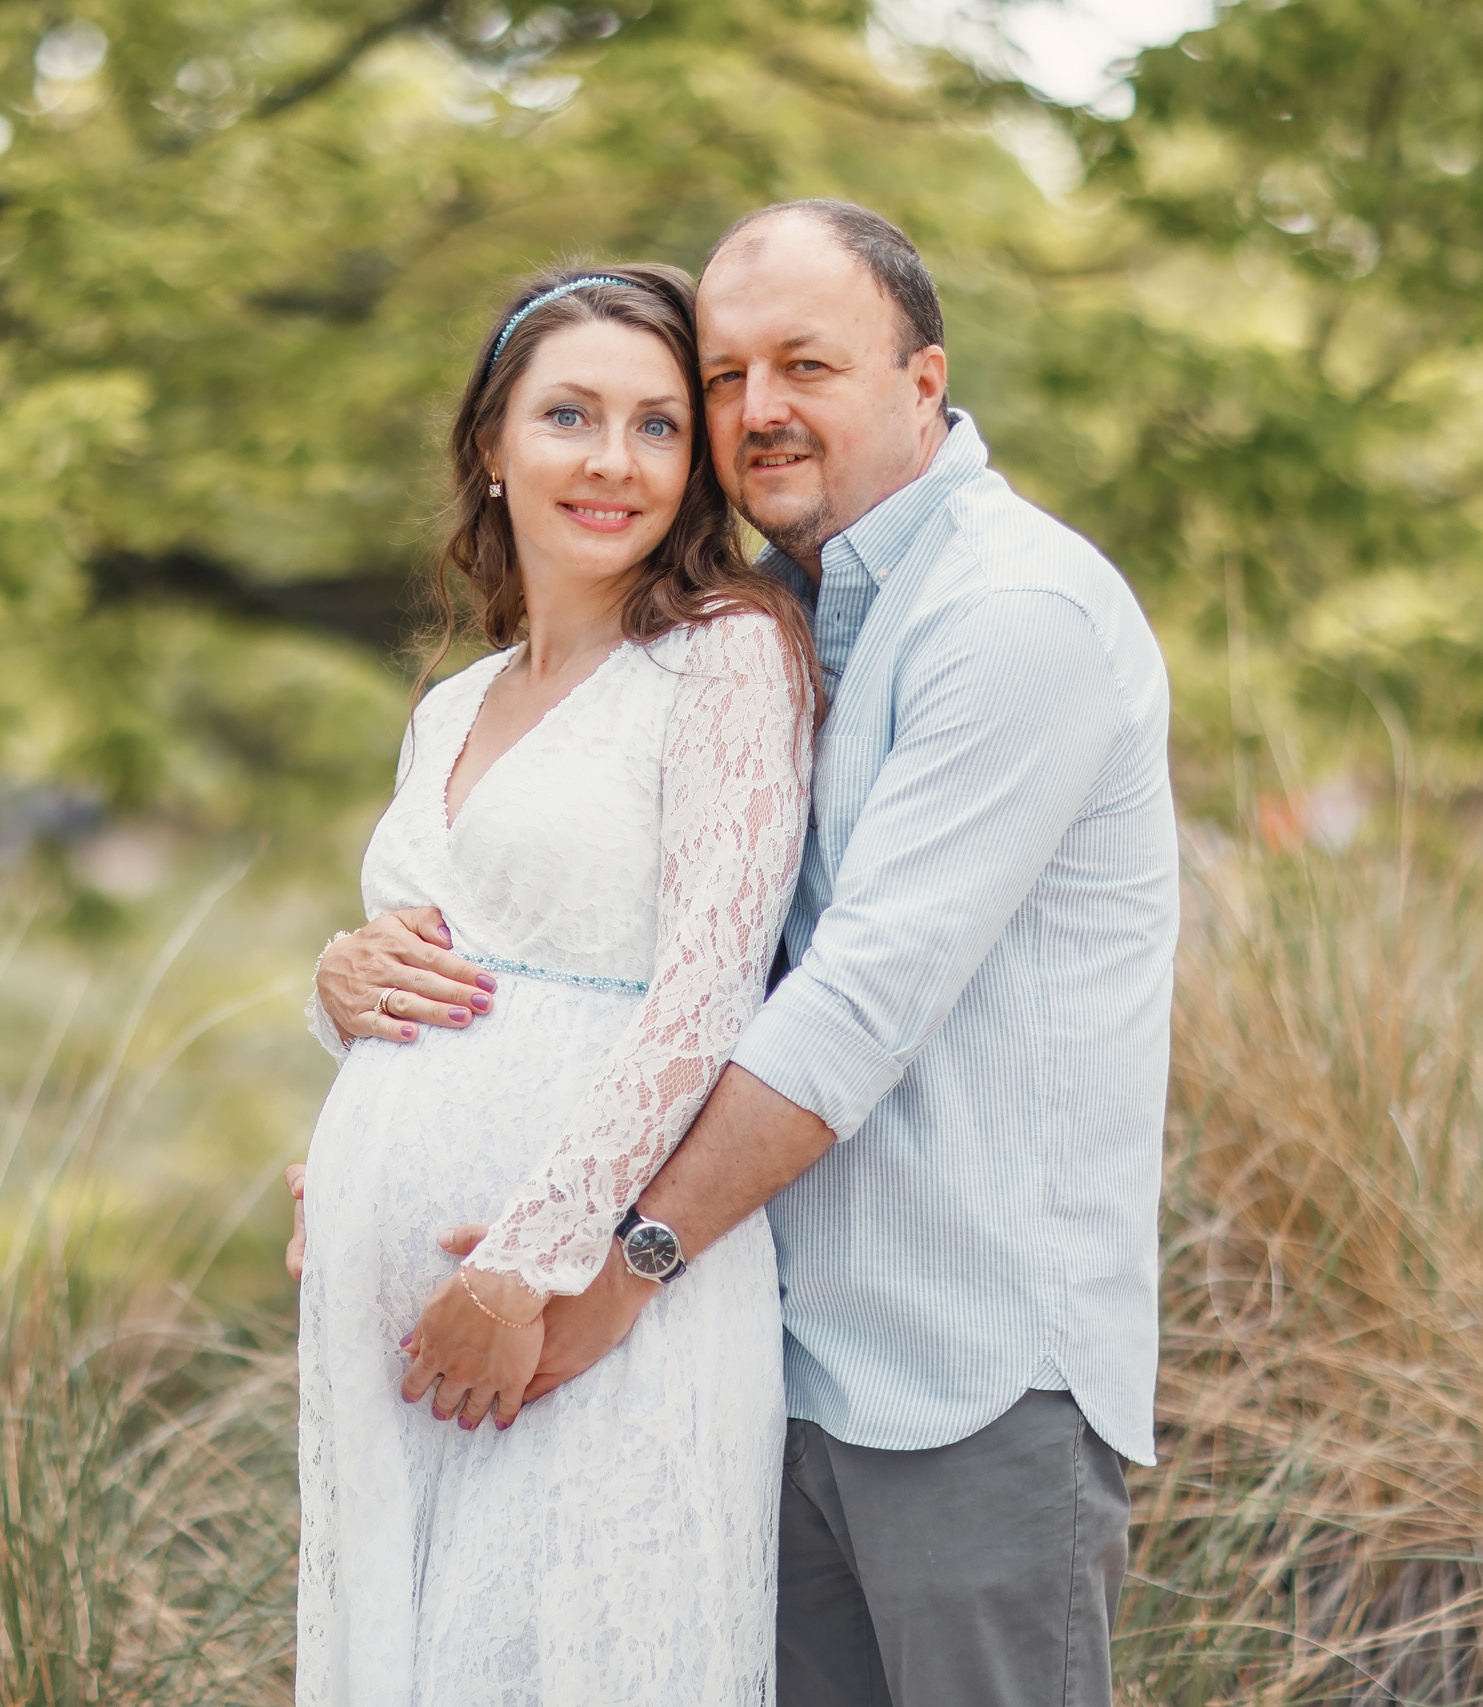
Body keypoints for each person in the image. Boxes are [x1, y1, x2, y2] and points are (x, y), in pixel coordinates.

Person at [304, 201, 1178, 1707]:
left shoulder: (1007, 612)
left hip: (963, 1368)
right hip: (783, 1352)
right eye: (726, 374)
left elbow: (844, 1004)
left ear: (923, 381)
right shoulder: (796, 606)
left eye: (806, 365)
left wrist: (614, 1263)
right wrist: (359, 1003)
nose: (756, 411)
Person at [290, 260, 820, 1705]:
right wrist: (335, 1023)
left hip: (577, 1309)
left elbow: (709, 997)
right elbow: (428, 964)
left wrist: (527, 1263)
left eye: (657, 426)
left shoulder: (724, 661)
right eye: (569, 414)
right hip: (391, 1328)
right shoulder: (453, 702)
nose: (611, 461)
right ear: (489, 442)